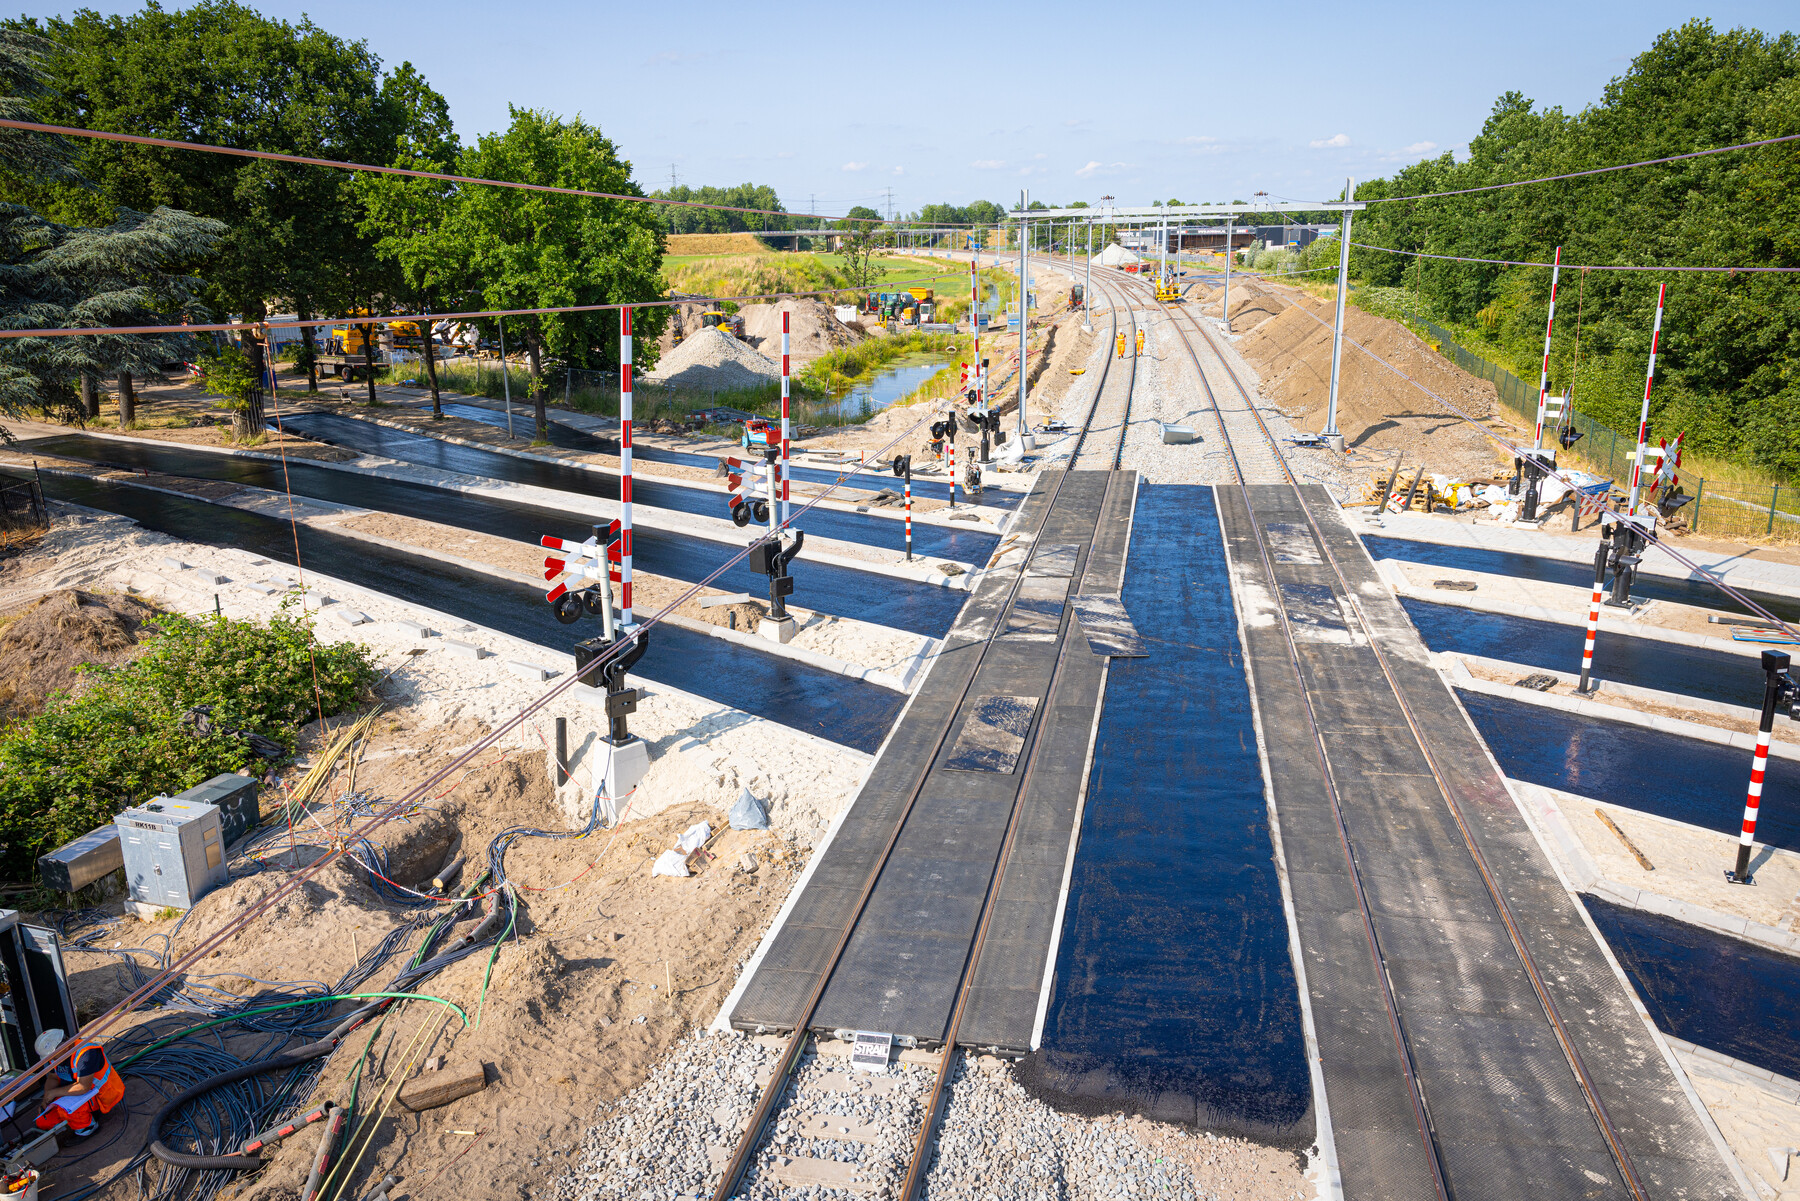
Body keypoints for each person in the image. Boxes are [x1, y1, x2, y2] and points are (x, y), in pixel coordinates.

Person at [32, 1031, 123, 1138]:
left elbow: (83, 1087)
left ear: (64, 1048)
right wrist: (46, 1099)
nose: (51, 1060)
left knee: (66, 1110)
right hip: (74, 1092)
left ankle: (87, 1129)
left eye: (52, 1057)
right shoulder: (57, 1055)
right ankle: (78, 1120)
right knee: (43, 1121)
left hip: (100, 1094)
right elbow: (53, 1078)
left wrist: (54, 1092)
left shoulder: (86, 1053)